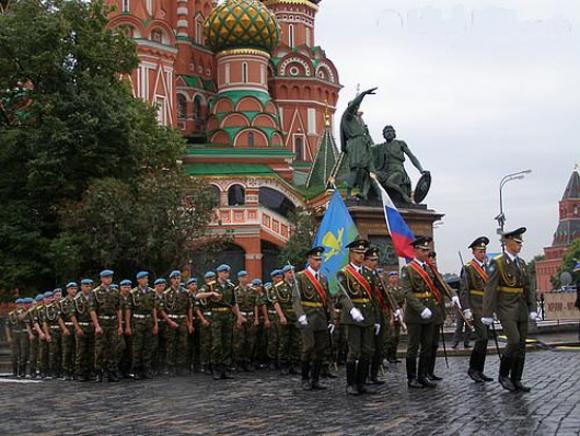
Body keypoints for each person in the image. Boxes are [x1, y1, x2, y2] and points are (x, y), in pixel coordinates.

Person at [482, 227, 539, 392]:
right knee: (513, 340)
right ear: (507, 243)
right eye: (517, 242)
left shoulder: (521, 263)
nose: (520, 245)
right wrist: (487, 312)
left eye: (520, 242)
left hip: (520, 307)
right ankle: (503, 375)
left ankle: (517, 379)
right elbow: (490, 288)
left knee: (521, 345)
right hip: (505, 307)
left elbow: (528, 286)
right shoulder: (497, 262)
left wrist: (532, 307)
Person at [401, 236, 447, 388]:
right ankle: (411, 378)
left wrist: (452, 296)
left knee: (427, 345)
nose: (426, 252)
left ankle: (423, 375)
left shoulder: (428, 268)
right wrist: (421, 309)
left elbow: (439, 285)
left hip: (430, 311)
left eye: (428, 250)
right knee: (413, 347)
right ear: (415, 251)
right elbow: (407, 292)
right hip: (415, 314)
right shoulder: (407, 269)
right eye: (423, 250)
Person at [337, 239, 380, 395]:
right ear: (351, 253)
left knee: (367, 350)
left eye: (363, 253)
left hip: (368, 315)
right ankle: (351, 384)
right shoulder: (343, 273)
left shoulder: (368, 273)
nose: (361, 256)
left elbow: (373, 298)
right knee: (354, 351)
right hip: (352, 316)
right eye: (358, 253)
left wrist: (376, 319)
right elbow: (342, 296)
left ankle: (361, 383)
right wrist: (352, 310)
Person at [293, 246, 334, 391]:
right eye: (316, 259)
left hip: (321, 317)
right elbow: (296, 299)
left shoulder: (323, 278)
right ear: (309, 260)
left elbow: (328, 299)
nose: (319, 262)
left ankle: (315, 379)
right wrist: (300, 315)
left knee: (320, 349)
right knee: (308, 348)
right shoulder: (300, 277)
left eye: (320, 259)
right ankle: (305, 378)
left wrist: (332, 318)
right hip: (308, 316)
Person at [197, 264, 246, 380]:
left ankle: (226, 369)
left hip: (228, 316)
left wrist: (239, 317)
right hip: (216, 316)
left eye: (227, 272)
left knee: (227, 343)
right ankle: (216, 368)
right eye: (224, 272)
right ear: (219, 273)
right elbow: (198, 295)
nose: (226, 274)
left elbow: (234, 304)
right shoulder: (211, 286)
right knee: (217, 343)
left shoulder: (231, 286)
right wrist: (211, 293)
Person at [460, 236, 493, 383]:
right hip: (476, 306)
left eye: (484, 250)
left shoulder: (488, 268)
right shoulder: (468, 268)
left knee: (485, 340)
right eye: (480, 251)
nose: (482, 253)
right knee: (482, 337)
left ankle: (480, 370)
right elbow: (464, 290)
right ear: (473, 252)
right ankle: (473, 369)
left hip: (486, 307)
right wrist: (466, 308)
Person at [425, 251, 461, 382]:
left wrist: (453, 295)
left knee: (434, 344)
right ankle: (424, 372)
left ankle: (430, 371)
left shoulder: (437, 274)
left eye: (434, 259)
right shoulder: (426, 274)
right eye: (430, 259)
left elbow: (445, 286)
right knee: (427, 345)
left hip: (437, 313)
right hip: (428, 312)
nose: (433, 261)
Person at [340, 88, 377, 200]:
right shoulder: (348, 117)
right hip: (356, 144)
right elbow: (344, 142)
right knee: (356, 169)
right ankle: (348, 192)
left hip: (362, 144)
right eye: (354, 106)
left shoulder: (357, 120)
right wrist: (363, 94)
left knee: (367, 170)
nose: (356, 108)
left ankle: (365, 193)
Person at [89, 269, 123, 382]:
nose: (109, 279)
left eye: (110, 277)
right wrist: (97, 325)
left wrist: (120, 326)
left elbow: (118, 309)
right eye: (106, 277)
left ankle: (111, 371)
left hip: (113, 322)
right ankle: (98, 371)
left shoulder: (115, 292)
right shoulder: (95, 292)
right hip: (102, 322)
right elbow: (92, 310)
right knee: (100, 348)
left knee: (112, 348)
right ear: (102, 279)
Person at [159, 270, 191, 376]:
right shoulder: (166, 293)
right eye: (174, 279)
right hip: (171, 320)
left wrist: (189, 323)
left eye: (178, 279)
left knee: (183, 344)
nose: (177, 281)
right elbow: (161, 310)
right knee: (171, 344)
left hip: (182, 320)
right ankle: (171, 367)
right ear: (171, 280)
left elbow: (189, 309)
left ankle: (181, 366)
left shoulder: (186, 292)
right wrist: (169, 321)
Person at [271, 269, 300, 375]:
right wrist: (282, 316)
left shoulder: (297, 286)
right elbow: (276, 303)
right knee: (284, 341)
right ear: (284, 274)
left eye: (293, 272)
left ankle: (294, 364)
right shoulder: (278, 287)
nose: (292, 274)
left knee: (296, 341)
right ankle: (284, 365)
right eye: (289, 272)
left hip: (296, 316)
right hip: (285, 316)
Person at [71, 278, 95, 381]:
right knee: (80, 351)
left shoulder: (93, 297)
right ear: (81, 287)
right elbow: (72, 315)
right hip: (81, 326)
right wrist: (77, 328)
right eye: (86, 286)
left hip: (91, 327)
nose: (88, 288)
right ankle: (79, 373)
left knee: (91, 351)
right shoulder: (76, 299)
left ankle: (89, 372)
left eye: (90, 286)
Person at [233, 271, 257, 372]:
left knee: (250, 341)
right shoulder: (234, 290)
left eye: (246, 277)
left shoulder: (252, 290)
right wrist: (238, 317)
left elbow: (256, 304)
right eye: (242, 277)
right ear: (238, 278)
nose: (244, 279)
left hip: (250, 317)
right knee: (239, 341)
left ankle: (248, 362)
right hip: (240, 316)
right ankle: (238, 363)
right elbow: (233, 305)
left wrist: (256, 318)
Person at [59, 282, 78, 380]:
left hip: (78, 327)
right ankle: (66, 371)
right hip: (67, 327)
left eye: (75, 288)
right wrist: (64, 329)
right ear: (67, 290)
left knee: (77, 350)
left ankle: (76, 371)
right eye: (71, 289)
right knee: (67, 351)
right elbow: (60, 318)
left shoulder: (78, 300)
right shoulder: (63, 302)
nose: (73, 290)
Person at [384, 272, 404, 363]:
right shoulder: (388, 289)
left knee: (397, 336)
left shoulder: (400, 289)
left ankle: (394, 355)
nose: (394, 279)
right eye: (392, 277)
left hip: (399, 312)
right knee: (390, 336)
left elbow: (403, 302)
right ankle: (388, 356)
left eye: (395, 277)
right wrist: (391, 317)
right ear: (389, 279)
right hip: (390, 312)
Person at [44, 288, 64, 379]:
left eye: (60, 295)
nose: (59, 297)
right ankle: (54, 371)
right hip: (53, 331)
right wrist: (47, 334)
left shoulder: (65, 305)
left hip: (63, 331)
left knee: (63, 351)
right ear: (53, 297)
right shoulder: (49, 308)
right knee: (54, 352)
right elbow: (45, 323)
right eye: (57, 295)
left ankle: (62, 370)